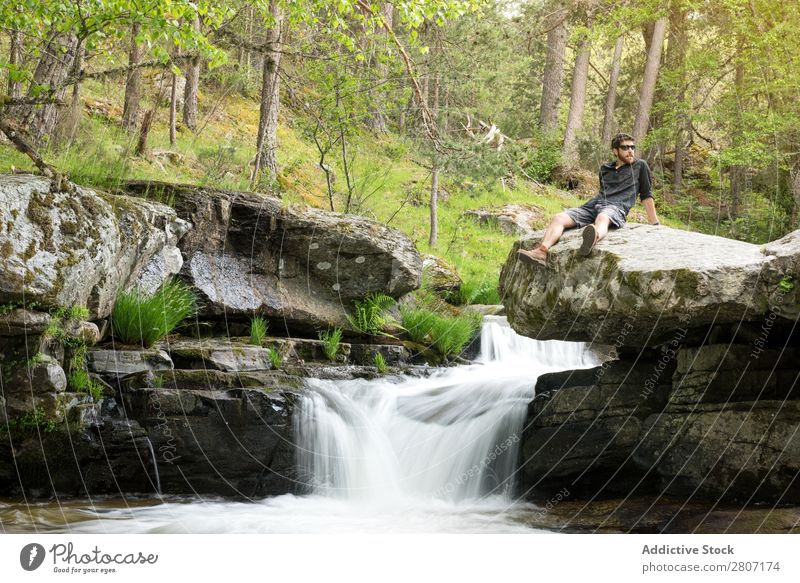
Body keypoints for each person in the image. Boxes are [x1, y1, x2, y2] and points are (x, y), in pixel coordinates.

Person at [517, 132, 660, 267]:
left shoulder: (640, 166)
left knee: (603, 217)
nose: (630, 151)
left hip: (616, 207)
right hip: (594, 205)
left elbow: (646, 195)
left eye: (632, 147)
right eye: (625, 147)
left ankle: (593, 237)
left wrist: (654, 224)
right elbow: (603, 192)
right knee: (559, 218)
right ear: (615, 151)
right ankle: (541, 252)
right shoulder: (605, 168)